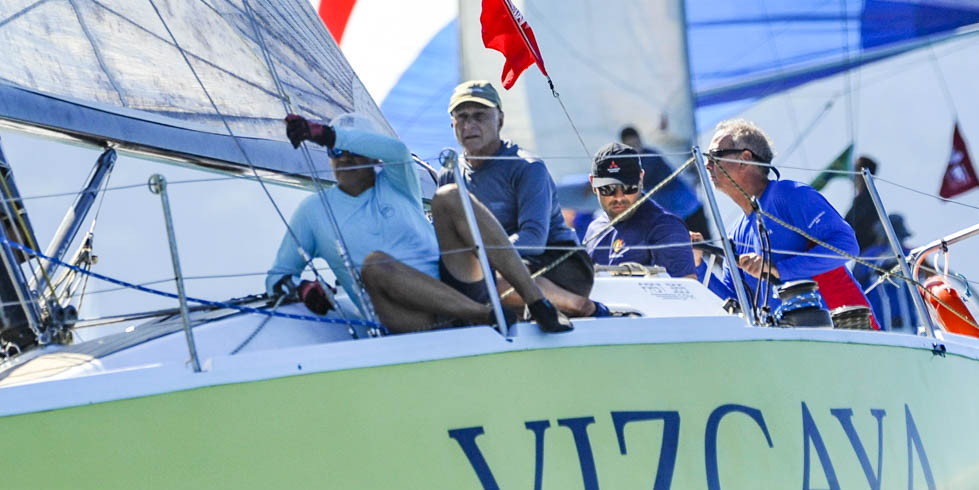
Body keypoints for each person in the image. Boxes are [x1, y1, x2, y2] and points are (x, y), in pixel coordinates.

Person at [266, 112, 571, 335]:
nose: (344, 158)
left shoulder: (396, 181)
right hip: (409, 318)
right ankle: (483, 316)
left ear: (374, 157)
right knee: (374, 264)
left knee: (450, 196)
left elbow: (397, 151)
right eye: (336, 151)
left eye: (353, 150)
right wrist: (304, 289)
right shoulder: (312, 211)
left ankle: (538, 303)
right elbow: (277, 278)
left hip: (455, 285)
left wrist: (327, 134)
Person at [441, 80, 597, 317]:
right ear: (452, 123)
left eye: (480, 116)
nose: (469, 124)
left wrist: (477, 260)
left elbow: (533, 239)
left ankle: (581, 305)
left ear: (500, 120)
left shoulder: (527, 167)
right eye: (461, 117)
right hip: (495, 264)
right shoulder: (450, 174)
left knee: (481, 284)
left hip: (559, 262)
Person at [695, 119, 872, 323]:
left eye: (715, 155)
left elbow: (846, 245)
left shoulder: (790, 195)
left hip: (836, 330)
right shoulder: (735, 234)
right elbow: (736, 303)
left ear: (745, 159)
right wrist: (697, 264)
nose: (707, 165)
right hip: (785, 337)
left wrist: (778, 269)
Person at [582, 143, 696, 278]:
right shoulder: (594, 230)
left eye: (628, 187)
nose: (619, 197)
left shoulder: (666, 227)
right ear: (593, 184)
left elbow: (685, 289)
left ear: (641, 179)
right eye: (608, 188)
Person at [843, 155, 886, 253]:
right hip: (864, 253)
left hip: (870, 254)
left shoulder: (867, 199)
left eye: (855, 169)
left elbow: (845, 226)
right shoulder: (867, 198)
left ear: (862, 173)